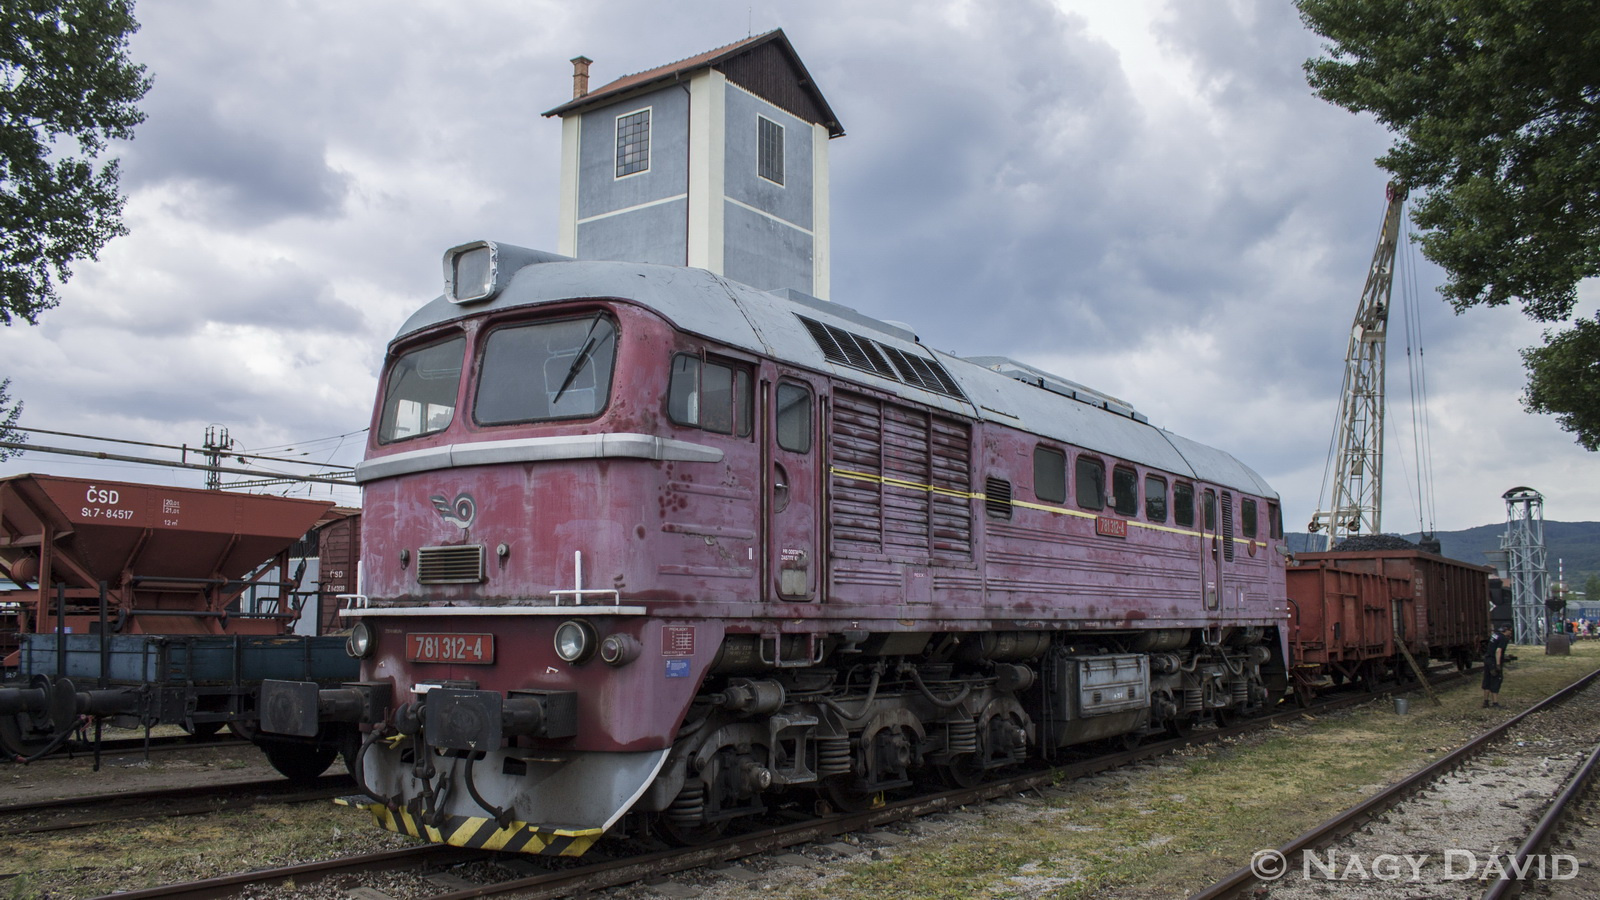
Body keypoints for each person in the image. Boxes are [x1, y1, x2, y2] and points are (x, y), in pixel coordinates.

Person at [1482, 624, 1512, 708]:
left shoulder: (1495, 635)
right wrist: (1498, 664)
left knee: (1487, 680)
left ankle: (1486, 702)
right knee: (1496, 680)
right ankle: (1495, 703)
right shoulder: (1503, 638)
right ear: (1506, 630)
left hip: (1487, 660)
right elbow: (1498, 651)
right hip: (1494, 661)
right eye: (1510, 630)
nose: (1510, 633)